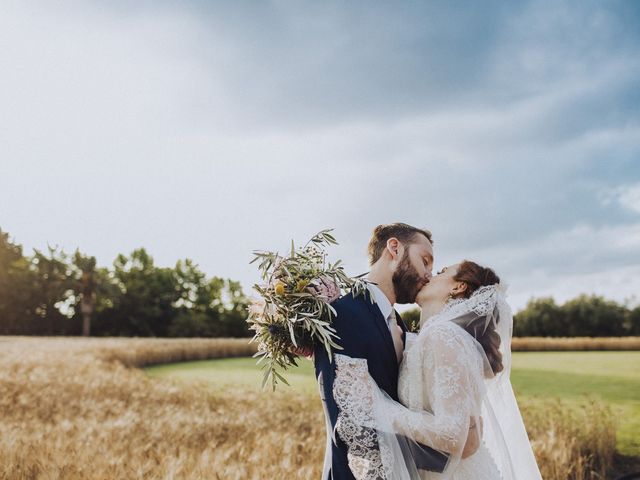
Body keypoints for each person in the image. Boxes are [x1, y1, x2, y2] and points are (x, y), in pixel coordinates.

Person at [333, 260, 542, 479]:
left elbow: (452, 433)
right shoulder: (438, 337)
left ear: (458, 287)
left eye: (442, 272)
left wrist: (378, 406)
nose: (429, 275)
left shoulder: (443, 335)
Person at [312, 223, 480, 480]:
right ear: (394, 248)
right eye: (425, 261)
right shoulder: (341, 314)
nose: (428, 274)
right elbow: (348, 425)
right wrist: (449, 452)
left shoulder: (400, 326)